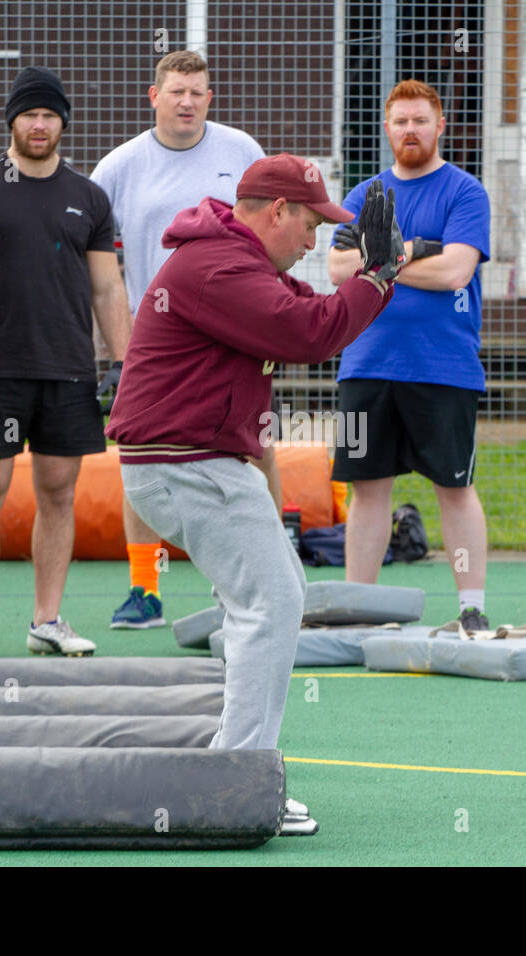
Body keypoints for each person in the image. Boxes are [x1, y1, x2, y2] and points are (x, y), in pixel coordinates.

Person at [106, 155, 403, 834]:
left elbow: (319, 313)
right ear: (276, 211)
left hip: (197, 463)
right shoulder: (219, 266)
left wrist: (378, 277)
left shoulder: (234, 259)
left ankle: (235, 770)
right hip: (187, 465)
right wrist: (380, 279)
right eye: (309, 224)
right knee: (271, 603)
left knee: (272, 598)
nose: (313, 241)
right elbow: (309, 335)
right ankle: (234, 782)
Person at [0, 66, 132, 657]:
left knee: (60, 492)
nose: (39, 125)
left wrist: (121, 365)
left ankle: (47, 620)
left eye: (49, 115)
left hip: (68, 370)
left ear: (63, 122)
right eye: (29, 114)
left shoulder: (88, 197)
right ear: (11, 120)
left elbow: (108, 290)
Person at [90, 49, 277, 630]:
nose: (188, 102)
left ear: (209, 98)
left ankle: (264, 573)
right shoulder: (119, 167)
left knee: (254, 443)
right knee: (142, 454)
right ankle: (145, 591)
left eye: (198, 92)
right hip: (156, 342)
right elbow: (94, 258)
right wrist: (113, 344)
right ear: (154, 97)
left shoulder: (241, 152)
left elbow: (275, 227)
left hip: (236, 332)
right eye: (176, 91)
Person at [326, 79, 493, 633]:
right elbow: (335, 270)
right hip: (365, 363)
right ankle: (358, 611)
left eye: (421, 120)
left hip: (443, 367)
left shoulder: (465, 192)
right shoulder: (363, 195)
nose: (411, 130)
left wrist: (382, 261)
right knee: (367, 491)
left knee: (454, 487)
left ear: (439, 125)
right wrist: (414, 253)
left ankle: (471, 606)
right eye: (401, 121)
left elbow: (454, 272)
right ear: (386, 129)